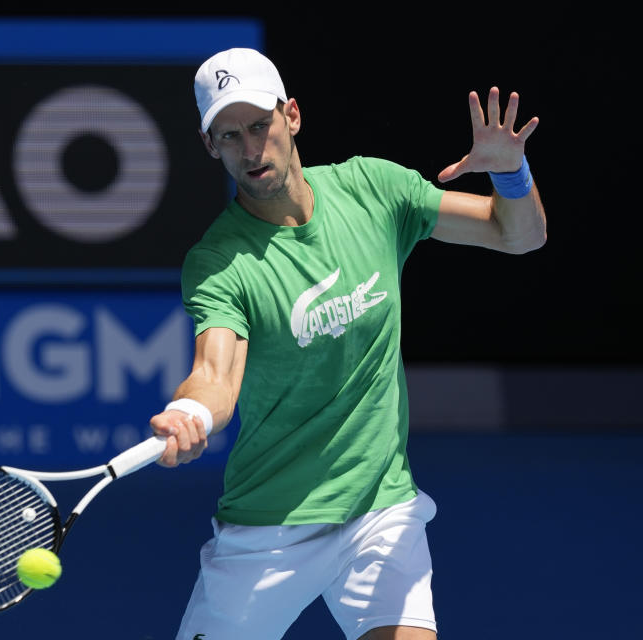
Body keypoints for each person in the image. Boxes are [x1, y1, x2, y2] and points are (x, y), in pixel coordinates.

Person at [148, 48, 546, 640]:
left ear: (293, 117)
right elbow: (216, 373)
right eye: (230, 136)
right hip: (268, 528)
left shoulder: (373, 190)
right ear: (212, 146)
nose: (252, 149)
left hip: (380, 511)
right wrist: (189, 410)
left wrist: (511, 174)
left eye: (260, 125)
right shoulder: (218, 263)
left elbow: (519, 236)